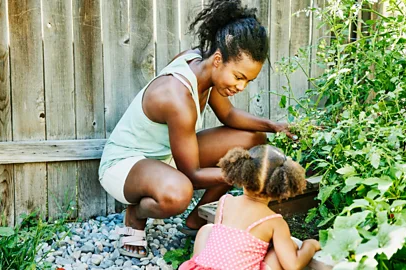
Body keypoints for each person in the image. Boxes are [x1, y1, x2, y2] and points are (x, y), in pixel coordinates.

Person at [98, 0, 297, 258]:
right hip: (125, 164)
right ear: (218, 59)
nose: (242, 87)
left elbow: (228, 114)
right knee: (179, 192)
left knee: (253, 138)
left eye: (248, 80)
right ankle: (136, 215)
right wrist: (247, 173)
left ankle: (196, 222)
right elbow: (191, 173)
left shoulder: (200, 63)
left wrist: (273, 126)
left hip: (168, 155)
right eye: (238, 76)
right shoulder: (177, 98)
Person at [179, 145, 321, 270]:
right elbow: (293, 265)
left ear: (241, 173)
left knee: (207, 230)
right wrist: (310, 245)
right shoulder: (274, 222)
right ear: (282, 186)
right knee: (282, 252)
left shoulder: (225, 202)